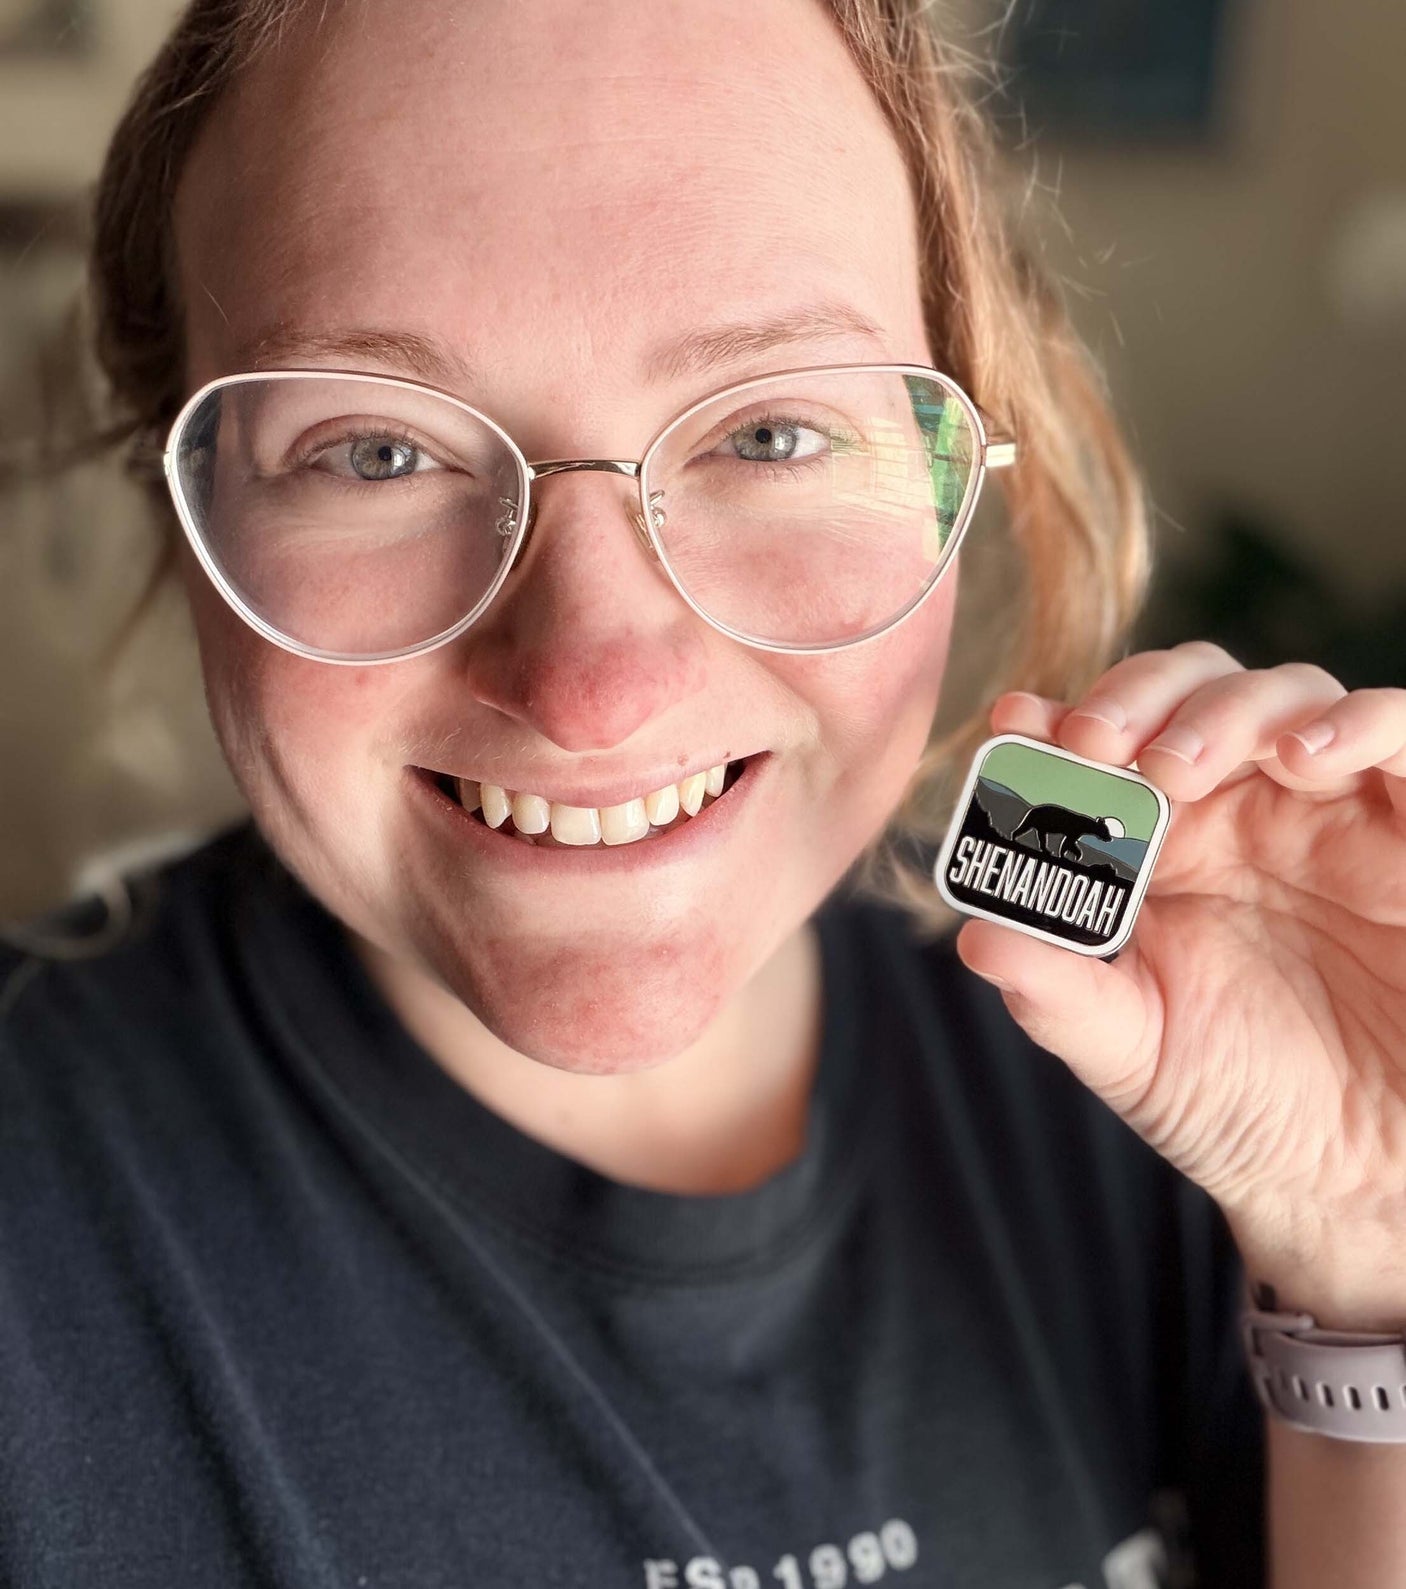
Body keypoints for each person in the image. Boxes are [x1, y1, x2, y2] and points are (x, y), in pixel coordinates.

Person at [4, 0, 1406, 1584]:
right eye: (377, 452)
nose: (590, 687)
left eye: (769, 430)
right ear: (181, 499)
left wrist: (1364, 1240)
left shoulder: (1182, 1087)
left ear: (956, 459)